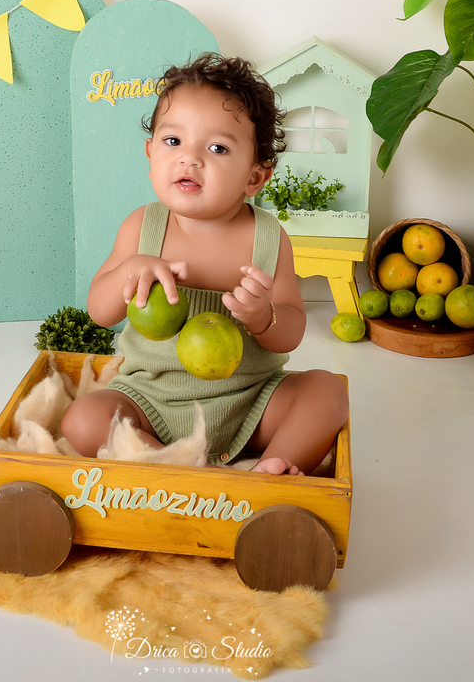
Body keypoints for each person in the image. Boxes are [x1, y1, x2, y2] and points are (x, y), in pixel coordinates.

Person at [61, 53, 349, 475]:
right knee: (82, 420)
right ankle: (178, 468)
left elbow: (292, 330)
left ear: (255, 176)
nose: (189, 159)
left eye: (217, 148)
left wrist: (263, 316)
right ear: (150, 152)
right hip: (150, 400)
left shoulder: (268, 237)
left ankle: (271, 470)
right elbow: (99, 311)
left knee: (326, 390)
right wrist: (129, 273)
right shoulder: (143, 227)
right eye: (173, 141)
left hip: (250, 401)